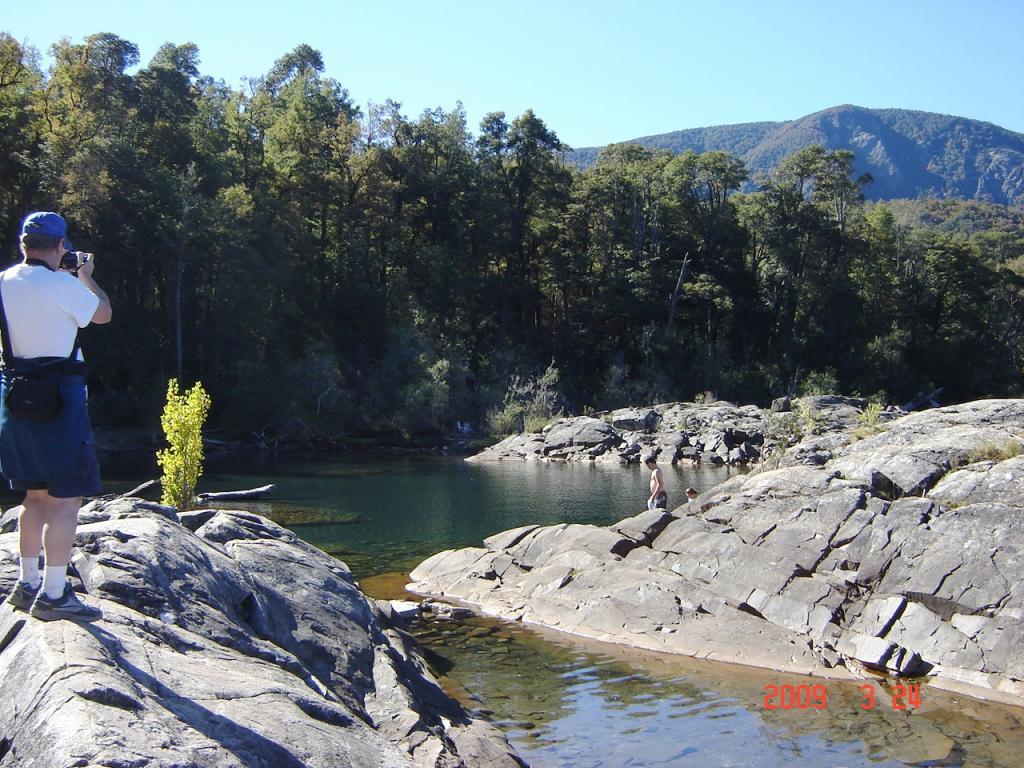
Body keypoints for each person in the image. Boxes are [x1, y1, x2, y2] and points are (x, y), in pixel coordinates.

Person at [1, 211, 112, 622]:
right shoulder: (64, 285)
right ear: (62, 245)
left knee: (33, 497)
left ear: (23, 244)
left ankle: (26, 583)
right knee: (65, 501)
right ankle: (53, 594)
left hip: (15, 397)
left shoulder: (4, 281)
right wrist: (85, 275)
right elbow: (103, 314)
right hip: (61, 401)